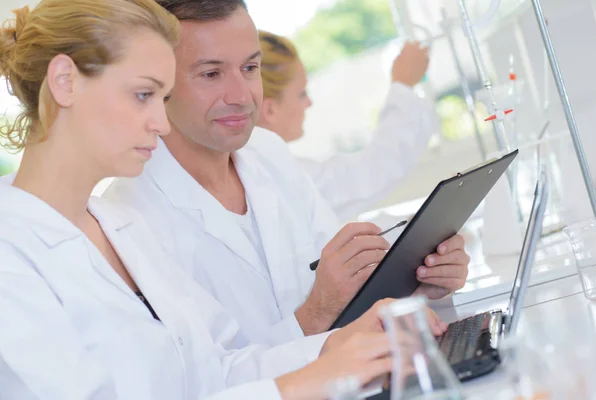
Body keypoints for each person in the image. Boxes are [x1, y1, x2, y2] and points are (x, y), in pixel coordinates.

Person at [0, 1, 446, 399]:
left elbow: (215, 371)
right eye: (143, 95)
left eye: (163, 96)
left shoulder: (117, 226)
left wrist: (340, 344)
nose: (159, 120)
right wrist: (299, 385)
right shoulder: (12, 251)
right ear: (64, 82)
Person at [103, 0, 468, 349]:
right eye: (211, 73)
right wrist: (316, 311)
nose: (242, 96)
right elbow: (206, 381)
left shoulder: (268, 152)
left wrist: (419, 291)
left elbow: (349, 302)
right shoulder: (129, 220)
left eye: (249, 68)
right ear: (157, 84)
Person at [258, 30, 436, 221]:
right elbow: (371, 171)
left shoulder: (268, 170)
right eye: (301, 94)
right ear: (270, 110)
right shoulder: (279, 178)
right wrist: (403, 84)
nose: (309, 103)